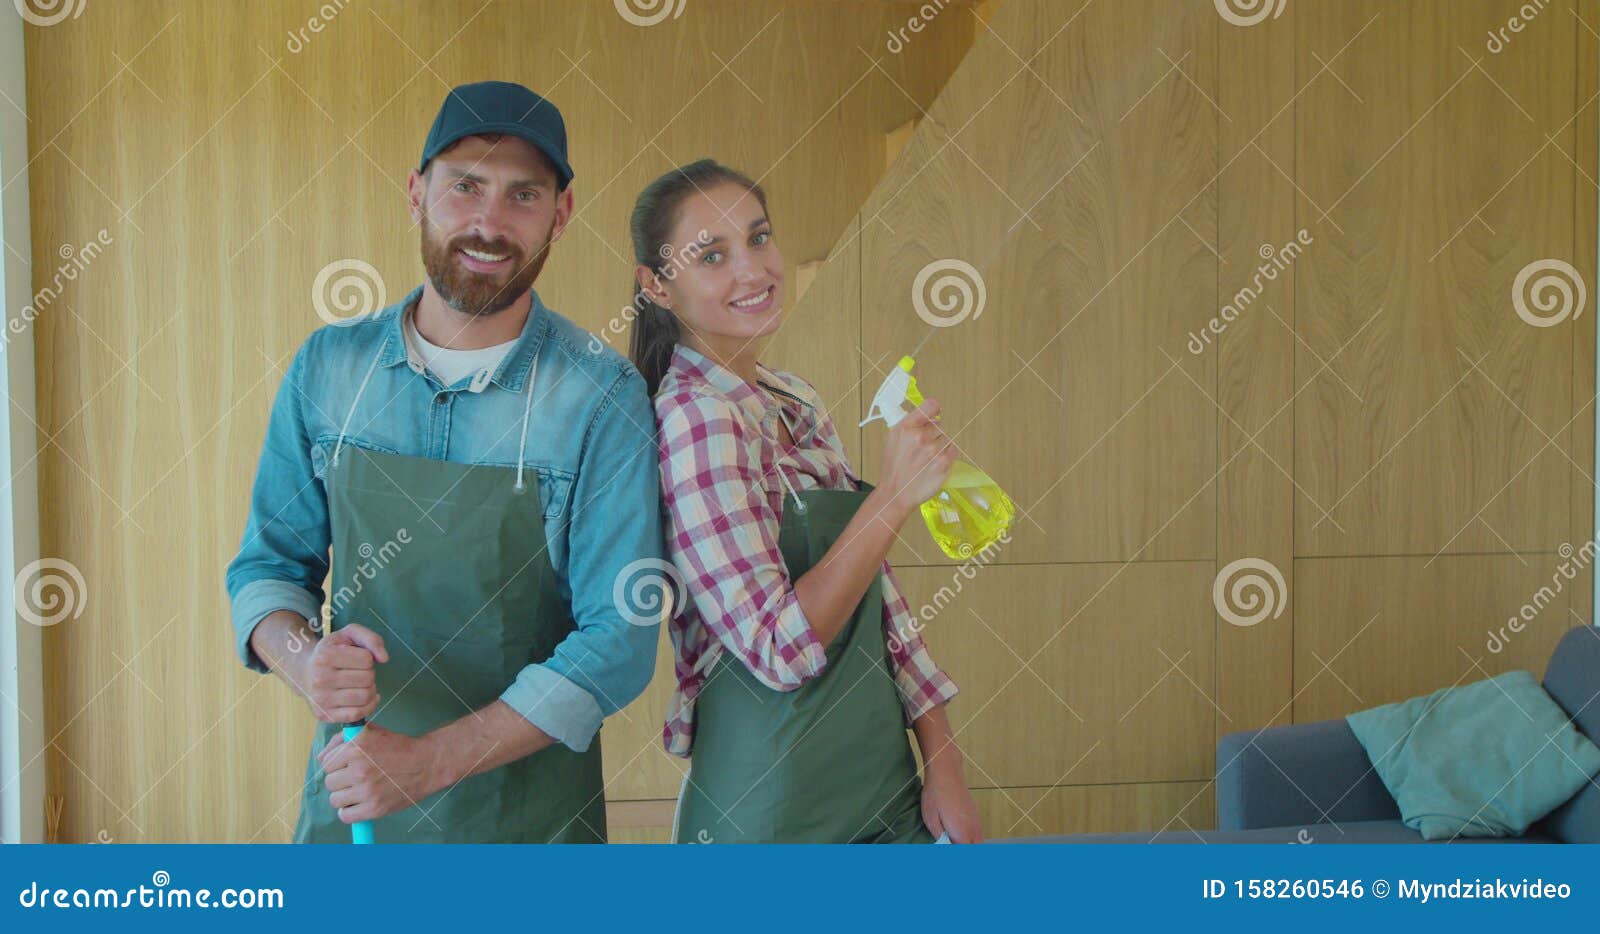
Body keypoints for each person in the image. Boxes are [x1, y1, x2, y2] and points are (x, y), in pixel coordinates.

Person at [225, 81, 663, 843]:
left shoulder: (601, 396)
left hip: (530, 828)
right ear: (417, 192)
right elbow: (267, 570)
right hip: (354, 809)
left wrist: (429, 763)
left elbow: (620, 640)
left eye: (522, 194)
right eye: (465, 186)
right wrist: (305, 663)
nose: (488, 223)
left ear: (559, 215)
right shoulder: (328, 368)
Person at [629, 159, 984, 843]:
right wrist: (891, 499)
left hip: (883, 781)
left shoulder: (794, 399)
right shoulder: (695, 421)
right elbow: (779, 649)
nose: (753, 270)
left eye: (759, 238)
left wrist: (942, 760)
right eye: (712, 255)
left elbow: (880, 597)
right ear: (658, 286)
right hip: (772, 808)